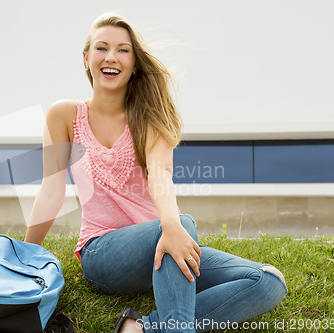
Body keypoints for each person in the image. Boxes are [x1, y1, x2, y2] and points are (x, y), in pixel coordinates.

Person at [24, 12, 287, 333]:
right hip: (103, 252)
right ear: (86, 57)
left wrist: (172, 227)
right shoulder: (65, 114)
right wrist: (24, 255)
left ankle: (142, 329)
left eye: (123, 50)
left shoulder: (148, 118)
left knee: (267, 280)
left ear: (134, 63)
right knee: (181, 224)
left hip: (165, 240)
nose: (111, 57)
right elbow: (52, 190)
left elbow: (160, 175)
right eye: (101, 48)